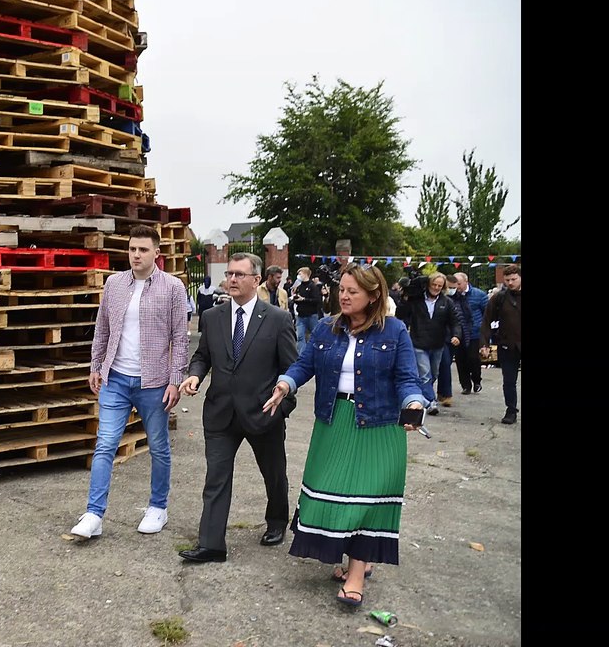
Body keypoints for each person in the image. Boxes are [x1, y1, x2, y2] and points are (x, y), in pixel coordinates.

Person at [260, 262, 425, 608]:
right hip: (334, 422)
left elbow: (407, 378)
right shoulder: (326, 327)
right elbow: (304, 365)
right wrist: (284, 384)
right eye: (342, 290)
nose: (344, 296)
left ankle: (356, 574)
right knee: (334, 492)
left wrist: (413, 404)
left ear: (374, 295)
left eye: (353, 291)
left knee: (367, 500)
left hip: (379, 427)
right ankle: (351, 556)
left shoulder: (395, 331)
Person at [69, 225, 190, 539]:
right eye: (132, 249)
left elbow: (180, 338)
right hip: (116, 379)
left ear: (156, 253)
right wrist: (96, 365)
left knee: (159, 446)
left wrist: (175, 380)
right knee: (105, 444)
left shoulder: (173, 288)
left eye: (143, 250)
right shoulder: (114, 283)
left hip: (154, 382)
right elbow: (102, 329)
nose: (136, 255)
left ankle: (158, 507)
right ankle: (94, 514)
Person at [178, 253, 298, 564]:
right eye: (229, 273)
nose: (232, 279)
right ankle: (211, 545)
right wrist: (195, 375)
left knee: (274, 474)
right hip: (220, 413)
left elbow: (292, 369)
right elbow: (203, 355)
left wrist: (281, 407)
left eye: (239, 274)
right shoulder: (212, 317)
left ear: (256, 280)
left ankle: (276, 521)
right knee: (216, 478)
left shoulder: (277, 319)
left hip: (263, 413)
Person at [394, 272, 461, 416]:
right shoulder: (416, 300)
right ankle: (431, 402)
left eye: (439, 286)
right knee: (424, 374)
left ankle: (422, 397)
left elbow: (455, 321)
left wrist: (456, 335)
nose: (436, 288)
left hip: (438, 343)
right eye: (434, 285)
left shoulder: (446, 302)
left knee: (433, 374)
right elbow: (400, 314)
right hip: (418, 342)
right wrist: (405, 298)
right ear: (428, 285)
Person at [479, 265, 521, 424]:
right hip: (507, 345)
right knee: (509, 381)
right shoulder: (499, 298)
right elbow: (486, 321)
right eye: (507, 280)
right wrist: (484, 344)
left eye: (514, 279)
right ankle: (511, 410)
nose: (510, 283)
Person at [451, 272, 489, 394]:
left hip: (474, 333)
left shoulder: (479, 295)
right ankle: (466, 385)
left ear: (466, 282)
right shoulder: (452, 296)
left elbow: (487, 313)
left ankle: (477, 380)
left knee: (473, 358)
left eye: (459, 284)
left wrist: (483, 330)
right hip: (458, 334)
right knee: (461, 360)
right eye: (455, 284)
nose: (457, 287)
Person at [434, 291, 469, 410]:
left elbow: (457, 320)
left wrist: (457, 335)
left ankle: (446, 394)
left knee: (445, 364)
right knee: (431, 370)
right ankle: (434, 394)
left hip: (447, 338)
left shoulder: (449, 301)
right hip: (431, 337)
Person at [291, 266, 323, 353]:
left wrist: (304, 299)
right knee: (300, 337)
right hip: (300, 316)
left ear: (305, 274)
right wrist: (296, 299)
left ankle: (316, 352)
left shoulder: (313, 287)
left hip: (312, 315)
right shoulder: (299, 287)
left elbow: (317, 300)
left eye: (300, 274)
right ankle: (301, 355)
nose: (298, 276)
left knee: (314, 336)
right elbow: (297, 300)